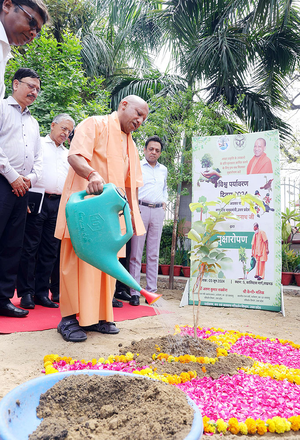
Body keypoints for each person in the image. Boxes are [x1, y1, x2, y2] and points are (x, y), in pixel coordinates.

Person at [55, 95, 149, 342]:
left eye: (144, 119)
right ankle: (69, 319)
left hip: (110, 217)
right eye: (138, 113)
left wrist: (131, 220)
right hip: (85, 210)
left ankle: (98, 317)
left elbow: (131, 186)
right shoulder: (94, 124)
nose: (139, 120)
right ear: (123, 105)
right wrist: (92, 173)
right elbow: (75, 156)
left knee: (106, 268)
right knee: (76, 264)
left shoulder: (131, 145)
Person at [17, 114, 75, 309]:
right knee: (30, 247)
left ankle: (42, 292)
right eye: (63, 128)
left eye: (69, 131)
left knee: (50, 250)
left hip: (57, 203)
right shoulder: (39, 143)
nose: (65, 133)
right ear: (53, 125)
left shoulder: (68, 154)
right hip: (37, 199)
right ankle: (26, 292)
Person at [0, 67, 42, 317]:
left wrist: (30, 178)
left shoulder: (34, 122)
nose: (34, 92)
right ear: (15, 84)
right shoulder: (2, 109)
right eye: (30, 86)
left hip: (22, 188)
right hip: (3, 183)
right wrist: (13, 176)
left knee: (13, 245)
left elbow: (38, 159)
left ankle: (3, 298)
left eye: (37, 89)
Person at [129, 135, 167, 306]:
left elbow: (164, 188)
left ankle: (151, 291)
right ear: (144, 150)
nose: (154, 152)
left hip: (158, 211)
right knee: (136, 253)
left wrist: (164, 202)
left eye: (157, 150)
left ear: (160, 153)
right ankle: (134, 292)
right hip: (141, 209)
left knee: (153, 253)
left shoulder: (163, 170)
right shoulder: (137, 167)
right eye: (151, 149)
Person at [0, 0, 49, 99]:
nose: (33, 34)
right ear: (7, 5)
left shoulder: (4, 51)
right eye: (32, 22)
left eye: (37, 31)